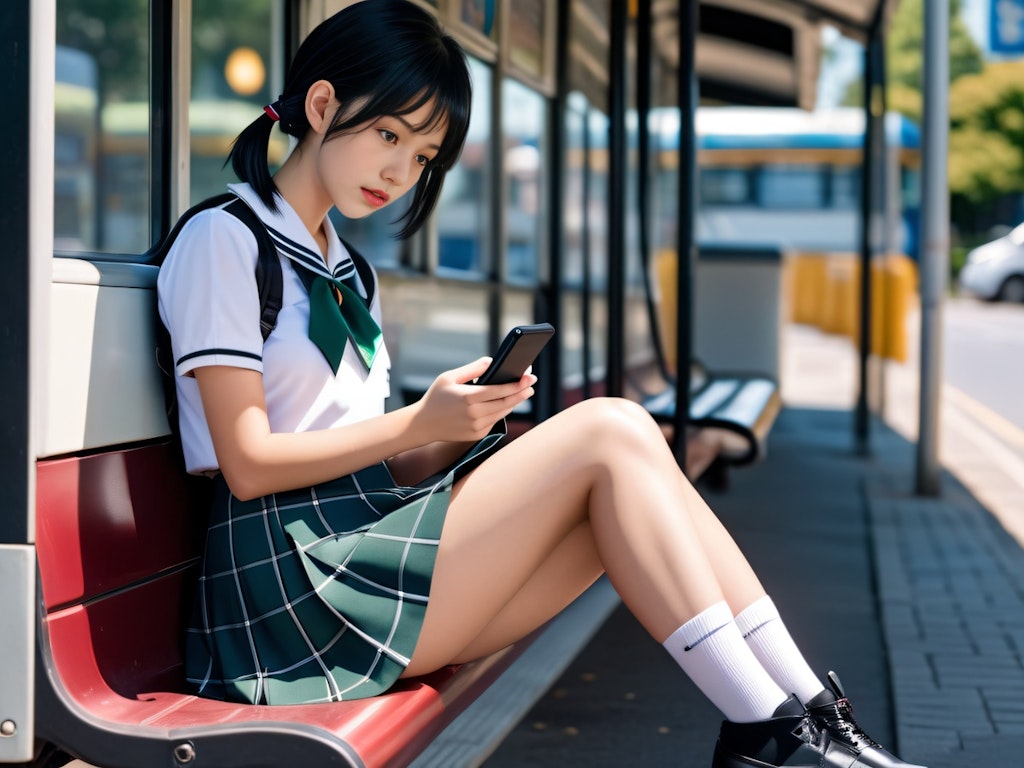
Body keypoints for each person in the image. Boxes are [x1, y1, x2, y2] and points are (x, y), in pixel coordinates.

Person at [157, 2, 925, 766]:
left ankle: (808, 715)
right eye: (389, 135)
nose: (400, 171)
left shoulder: (350, 270)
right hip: (286, 592)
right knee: (613, 429)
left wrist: (461, 426)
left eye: (423, 156)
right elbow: (250, 463)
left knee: (629, 489)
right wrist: (422, 421)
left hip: (360, 549)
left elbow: (378, 468)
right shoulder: (225, 239)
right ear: (322, 106)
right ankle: (775, 731)